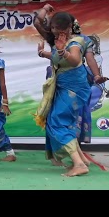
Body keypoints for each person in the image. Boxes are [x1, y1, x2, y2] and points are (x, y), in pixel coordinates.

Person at [32, 9, 94, 177]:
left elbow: (73, 60)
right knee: (61, 122)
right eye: (52, 28)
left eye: (58, 29)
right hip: (63, 88)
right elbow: (38, 23)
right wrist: (45, 53)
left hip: (74, 89)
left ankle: (79, 164)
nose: (54, 32)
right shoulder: (59, 41)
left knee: (57, 121)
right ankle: (81, 159)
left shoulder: (75, 42)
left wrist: (61, 51)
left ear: (68, 28)